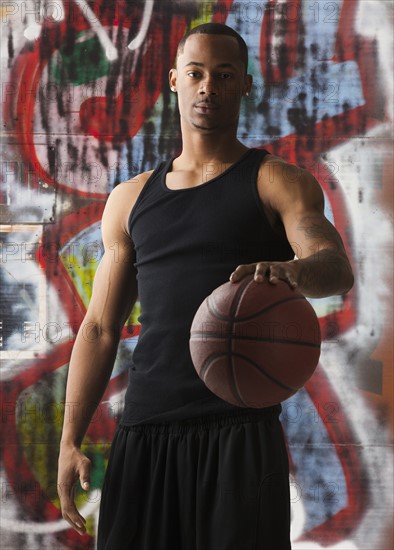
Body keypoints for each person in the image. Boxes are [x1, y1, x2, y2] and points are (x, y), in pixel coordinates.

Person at [57, 23, 354, 550]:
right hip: (145, 432)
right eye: (195, 74)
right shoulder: (131, 199)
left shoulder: (275, 181)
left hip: (238, 435)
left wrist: (293, 273)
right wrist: (68, 441)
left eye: (223, 75)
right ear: (174, 80)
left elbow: (334, 266)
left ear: (245, 85)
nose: (207, 87)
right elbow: (101, 328)